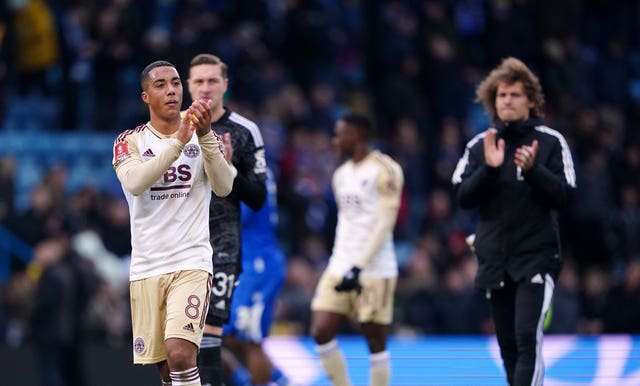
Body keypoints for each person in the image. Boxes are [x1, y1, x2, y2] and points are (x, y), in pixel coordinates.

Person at [451, 57, 576, 386]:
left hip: (536, 257)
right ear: (493, 100)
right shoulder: (480, 147)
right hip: (495, 259)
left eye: (515, 95)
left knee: (526, 339)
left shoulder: (550, 142)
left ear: (531, 101)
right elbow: (462, 198)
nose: (507, 100)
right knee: (508, 348)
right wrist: (489, 171)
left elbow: (566, 197)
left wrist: (534, 171)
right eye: (502, 95)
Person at [112, 60, 234, 386]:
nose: (171, 90)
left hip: (191, 261)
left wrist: (206, 137)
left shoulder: (203, 132)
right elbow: (136, 181)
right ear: (145, 97)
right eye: (161, 85)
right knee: (169, 370)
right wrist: (178, 142)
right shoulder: (130, 141)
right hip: (147, 267)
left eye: (176, 83)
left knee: (181, 354)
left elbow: (223, 187)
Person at [186, 53, 267, 386]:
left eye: (213, 80)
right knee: (177, 345)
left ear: (225, 85)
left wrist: (227, 167)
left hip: (221, 246)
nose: (206, 87)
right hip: (177, 247)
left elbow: (258, 199)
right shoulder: (173, 129)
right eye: (199, 81)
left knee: (209, 337)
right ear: (188, 86)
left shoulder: (245, 131)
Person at [310, 112, 404, 386]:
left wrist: (359, 265)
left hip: (375, 269)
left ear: (356, 136)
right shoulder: (340, 174)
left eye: (339, 134)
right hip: (340, 265)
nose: (334, 140)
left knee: (374, 338)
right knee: (320, 331)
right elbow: (347, 223)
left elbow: (386, 221)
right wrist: (343, 263)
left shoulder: (386, 169)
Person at [222, 167, 291, 386]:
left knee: (250, 338)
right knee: (221, 334)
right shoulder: (252, 169)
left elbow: (234, 215)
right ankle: (278, 380)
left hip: (258, 264)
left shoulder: (248, 173)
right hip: (245, 264)